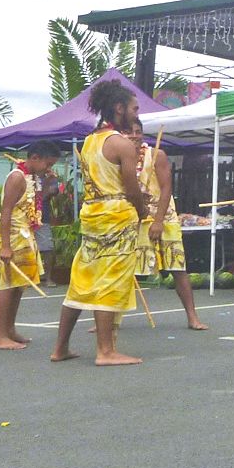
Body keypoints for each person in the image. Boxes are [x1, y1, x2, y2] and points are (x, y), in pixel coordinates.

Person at [52, 80, 152, 366]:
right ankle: (105, 351)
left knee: (81, 281)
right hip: (117, 215)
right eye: (134, 108)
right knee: (111, 280)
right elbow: (131, 188)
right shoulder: (121, 143)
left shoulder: (90, 141)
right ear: (119, 108)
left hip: (92, 214)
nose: (136, 114)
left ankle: (60, 348)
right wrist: (143, 210)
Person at [129, 125, 208, 331]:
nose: (134, 136)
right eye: (129, 132)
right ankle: (109, 320)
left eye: (138, 131)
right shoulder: (120, 157)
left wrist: (158, 221)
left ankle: (192, 317)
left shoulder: (156, 155)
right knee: (121, 267)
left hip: (164, 218)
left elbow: (166, 189)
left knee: (177, 268)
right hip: (134, 219)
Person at [0, 142, 61, 350]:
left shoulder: (33, 177)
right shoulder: (17, 177)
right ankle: (0, 336)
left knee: (19, 285)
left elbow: (38, 202)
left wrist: (47, 180)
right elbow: (6, 211)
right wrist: (5, 246)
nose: (48, 169)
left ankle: (10, 329)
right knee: (7, 284)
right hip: (12, 236)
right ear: (35, 157)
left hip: (25, 235)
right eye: (48, 164)